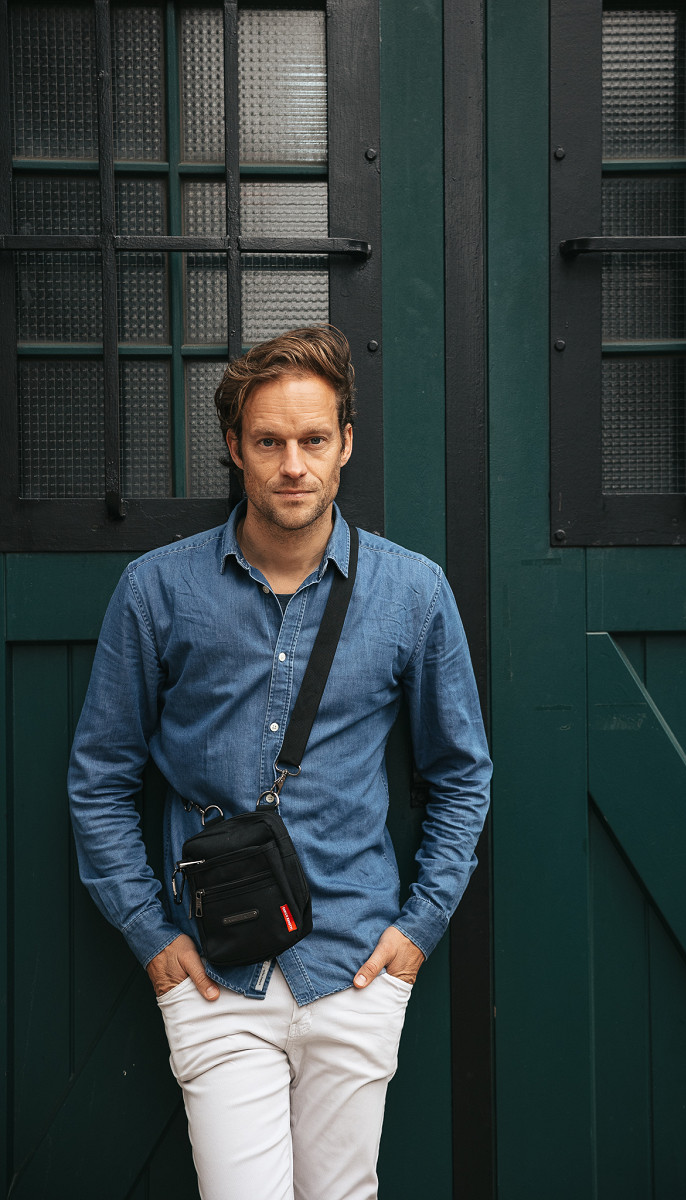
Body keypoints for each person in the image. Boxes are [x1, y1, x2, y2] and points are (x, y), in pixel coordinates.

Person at [68, 324, 491, 1200]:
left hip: (356, 967)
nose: (293, 466)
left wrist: (417, 932)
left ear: (346, 444)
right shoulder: (156, 590)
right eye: (269, 442)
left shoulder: (413, 592)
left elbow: (460, 775)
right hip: (213, 978)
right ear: (235, 448)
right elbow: (100, 779)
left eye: (312, 440)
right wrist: (151, 937)